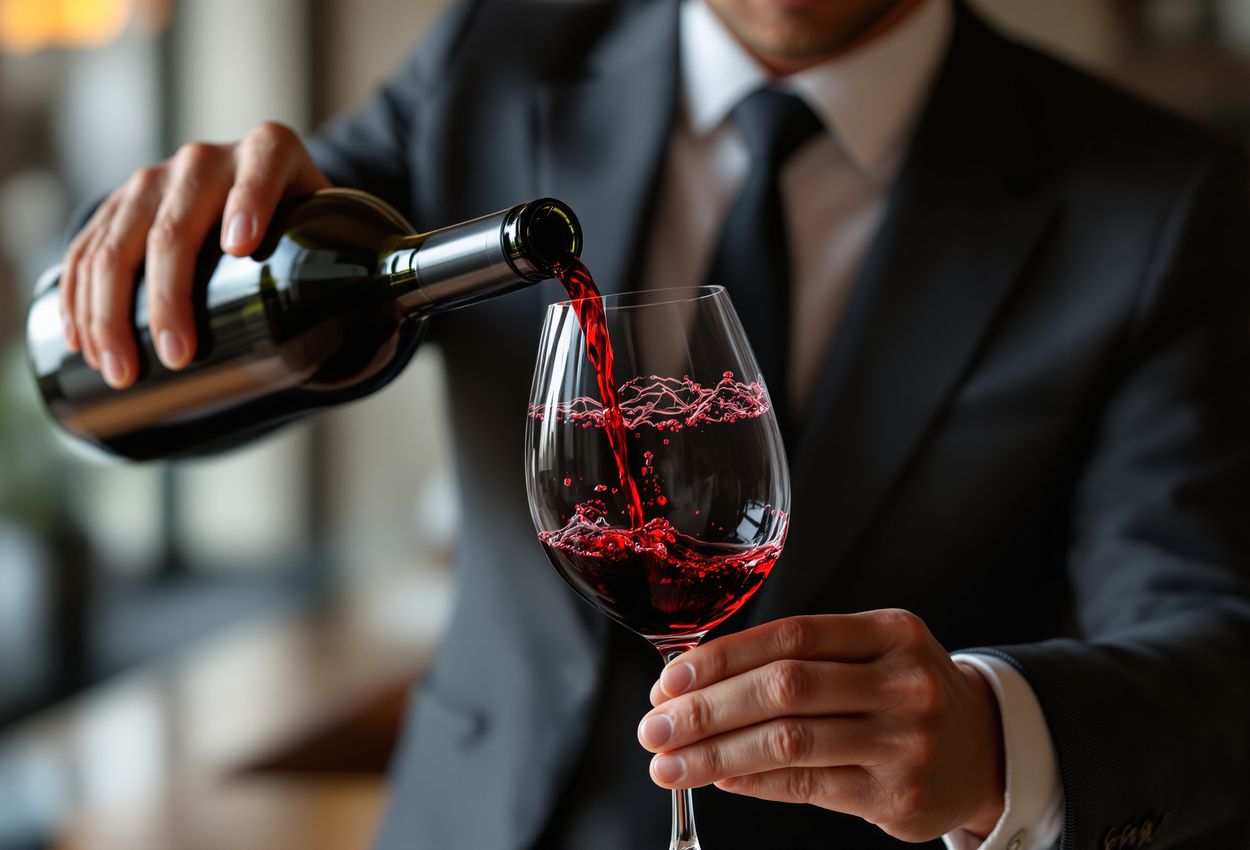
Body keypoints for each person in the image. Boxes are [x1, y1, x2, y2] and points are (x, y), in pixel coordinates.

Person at [54, 0, 1250, 847]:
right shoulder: (493, 52)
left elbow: (1212, 643)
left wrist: (991, 736)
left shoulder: (1149, 199)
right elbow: (251, 323)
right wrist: (165, 265)